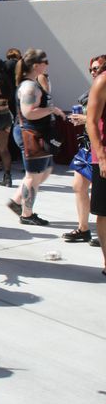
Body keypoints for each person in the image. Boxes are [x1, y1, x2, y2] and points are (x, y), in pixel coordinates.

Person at [7, 50, 65, 226]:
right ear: (35, 65)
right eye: (45, 61)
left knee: (44, 171)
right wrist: (52, 110)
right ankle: (27, 214)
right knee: (33, 176)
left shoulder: (33, 84)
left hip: (36, 133)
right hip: (30, 134)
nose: (47, 64)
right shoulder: (29, 87)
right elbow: (28, 112)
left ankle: (17, 201)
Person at [63, 55, 106, 243]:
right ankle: (83, 228)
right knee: (78, 186)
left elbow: (94, 120)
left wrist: (84, 119)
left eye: (97, 68)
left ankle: (97, 232)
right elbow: (93, 120)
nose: (94, 72)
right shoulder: (96, 86)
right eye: (91, 69)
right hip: (89, 146)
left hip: (97, 146)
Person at [86, 60, 106, 275]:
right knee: (104, 213)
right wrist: (101, 156)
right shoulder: (103, 81)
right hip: (104, 156)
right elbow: (91, 121)